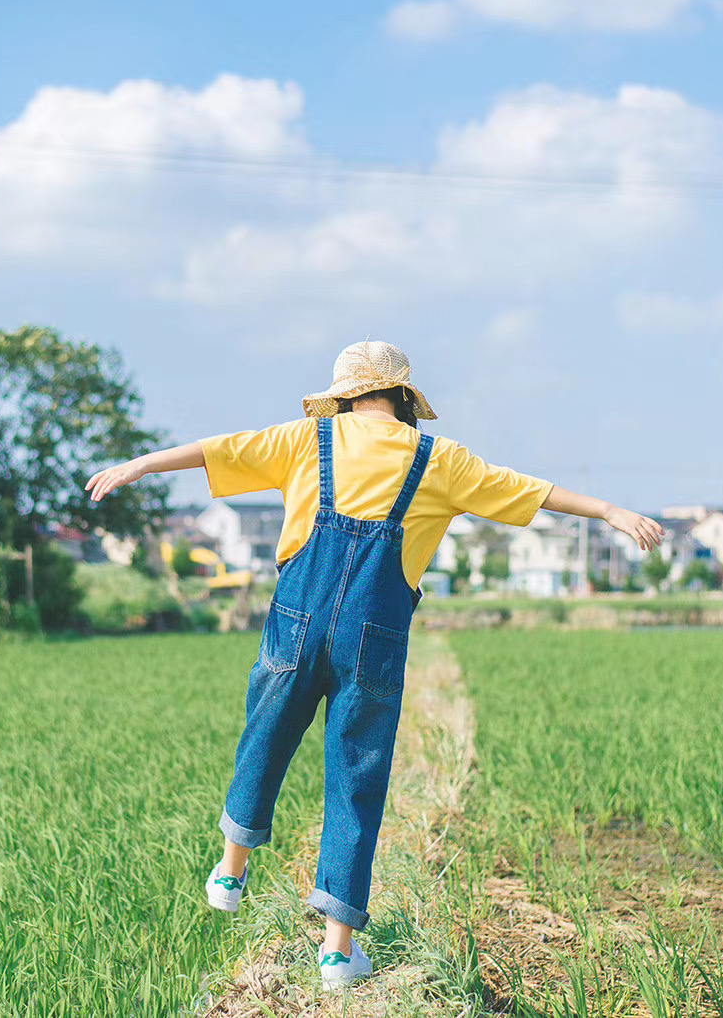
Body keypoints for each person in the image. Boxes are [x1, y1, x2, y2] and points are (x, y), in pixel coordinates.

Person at [84, 340, 663, 988]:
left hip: (296, 623)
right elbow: (527, 489)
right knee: (356, 776)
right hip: (374, 636)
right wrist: (610, 510)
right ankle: (336, 952)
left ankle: (231, 869)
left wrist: (139, 465)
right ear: (404, 399)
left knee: (265, 733)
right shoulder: (439, 460)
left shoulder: (308, 440)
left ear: (344, 395)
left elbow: (220, 448)